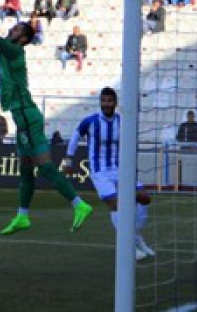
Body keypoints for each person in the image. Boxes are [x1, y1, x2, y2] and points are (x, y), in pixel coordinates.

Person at [0, 0, 93, 235]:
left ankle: (78, 204)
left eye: (18, 29)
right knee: (26, 170)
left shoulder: (14, 51)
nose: (13, 30)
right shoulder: (6, 51)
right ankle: (22, 216)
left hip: (26, 114)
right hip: (21, 116)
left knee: (45, 168)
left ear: (24, 39)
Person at [64, 88, 155, 260]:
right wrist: (69, 160)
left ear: (115, 103)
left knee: (144, 198)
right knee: (117, 204)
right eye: (103, 100)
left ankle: (136, 237)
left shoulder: (122, 122)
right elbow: (76, 135)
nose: (106, 104)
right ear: (100, 102)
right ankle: (128, 246)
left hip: (121, 170)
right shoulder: (90, 121)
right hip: (100, 172)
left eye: (109, 101)